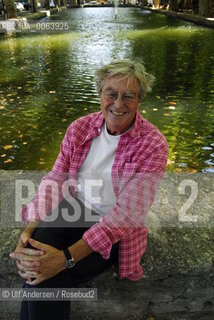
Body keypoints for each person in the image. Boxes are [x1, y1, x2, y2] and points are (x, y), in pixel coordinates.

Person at [10, 59, 168, 320]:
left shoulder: (153, 145)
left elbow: (125, 217)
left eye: (128, 96)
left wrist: (65, 258)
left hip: (114, 230)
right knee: (38, 265)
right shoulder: (80, 128)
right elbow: (54, 180)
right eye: (111, 94)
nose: (118, 104)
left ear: (139, 100)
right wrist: (29, 230)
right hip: (75, 209)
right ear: (100, 95)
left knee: (46, 274)